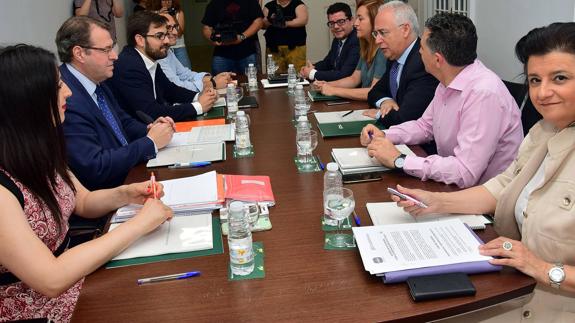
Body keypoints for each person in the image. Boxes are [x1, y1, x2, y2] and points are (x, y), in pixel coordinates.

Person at [394, 22, 575, 321]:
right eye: (534, 80)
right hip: (516, 285)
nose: (542, 92)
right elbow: (504, 185)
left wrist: (542, 268)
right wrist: (435, 202)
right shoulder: (543, 131)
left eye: (560, 78)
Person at [0, 44, 172, 323]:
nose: (67, 92)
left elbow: (81, 201)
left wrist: (126, 193)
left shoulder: (38, 150)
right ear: (27, 101)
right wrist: (140, 224)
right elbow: (51, 279)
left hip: (79, 282)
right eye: (57, 87)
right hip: (38, 310)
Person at [360, 13, 523, 188]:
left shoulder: (483, 94)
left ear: (437, 59)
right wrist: (385, 135)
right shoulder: (449, 79)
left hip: (486, 204)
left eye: (421, 47)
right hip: (451, 186)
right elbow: (425, 126)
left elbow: (464, 172)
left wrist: (400, 160)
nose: (419, 51)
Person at [56, 16, 175, 190]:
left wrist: (150, 129)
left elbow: (121, 122)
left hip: (129, 176)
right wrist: (150, 142)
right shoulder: (65, 98)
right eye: (106, 50)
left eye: (112, 47)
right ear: (79, 53)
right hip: (106, 194)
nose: (114, 56)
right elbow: (95, 165)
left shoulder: (96, 80)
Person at [109, 11, 218, 121]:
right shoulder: (129, 66)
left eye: (165, 35)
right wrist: (199, 106)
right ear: (140, 40)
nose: (166, 40)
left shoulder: (149, 59)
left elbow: (170, 90)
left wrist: (199, 96)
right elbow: (152, 112)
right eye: (159, 36)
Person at [365, 1, 438, 129]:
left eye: (383, 32)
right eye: (376, 33)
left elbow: (404, 119)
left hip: (420, 146)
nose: (377, 40)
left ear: (405, 30)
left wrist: (378, 114)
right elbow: (374, 92)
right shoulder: (395, 56)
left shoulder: (423, 62)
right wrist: (386, 101)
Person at [312, 0, 386, 101]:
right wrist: (326, 84)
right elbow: (354, 79)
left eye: (360, 19)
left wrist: (333, 90)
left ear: (375, 21)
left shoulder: (383, 49)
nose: (355, 24)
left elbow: (374, 91)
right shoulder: (366, 46)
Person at [158, 12, 234, 92]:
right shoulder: (158, 56)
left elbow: (185, 74)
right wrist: (213, 83)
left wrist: (211, 78)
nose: (175, 32)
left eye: (175, 27)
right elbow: (177, 87)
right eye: (169, 28)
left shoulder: (168, 51)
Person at [299, 2, 359, 82]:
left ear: (352, 21)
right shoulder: (337, 39)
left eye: (341, 21)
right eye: (332, 23)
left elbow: (344, 74)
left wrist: (312, 73)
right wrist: (311, 68)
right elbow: (328, 63)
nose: (336, 27)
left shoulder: (357, 40)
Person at [201, 0, 264, 75]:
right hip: (222, 53)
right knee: (219, 84)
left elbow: (259, 22)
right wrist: (213, 39)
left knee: (250, 82)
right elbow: (206, 27)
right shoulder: (214, 3)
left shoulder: (250, 1)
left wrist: (242, 36)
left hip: (247, 52)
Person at [262, 0, 308, 73]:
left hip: (295, 47)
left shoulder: (298, 4)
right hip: (273, 48)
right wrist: (270, 20)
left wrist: (285, 23)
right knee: (274, 75)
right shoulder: (269, 6)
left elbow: (303, 20)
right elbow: (262, 25)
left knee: (297, 75)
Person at [149, 0, 192, 69]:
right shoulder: (153, 14)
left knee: (186, 68)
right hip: (162, 47)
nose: (167, 2)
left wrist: (173, 17)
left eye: (169, 0)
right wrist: (159, 15)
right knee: (166, 71)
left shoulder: (178, 13)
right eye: (164, 0)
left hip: (178, 47)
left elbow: (179, 34)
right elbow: (152, 31)